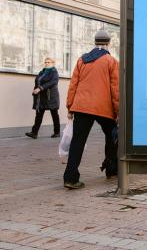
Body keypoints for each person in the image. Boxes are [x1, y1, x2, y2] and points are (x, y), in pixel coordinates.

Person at [63, 30, 119, 190]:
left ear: (95, 42)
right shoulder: (111, 61)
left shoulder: (82, 60)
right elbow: (116, 89)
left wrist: (70, 106)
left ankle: (70, 178)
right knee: (113, 135)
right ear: (108, 43)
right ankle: (111, 168)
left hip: (81, 106)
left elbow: (73, 84)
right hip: (104, 108)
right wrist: (118, 112)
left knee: (78, 141)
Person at [25, 57, 61, 139]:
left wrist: (40, 88)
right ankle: (34, 132)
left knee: (54, 114)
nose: (46, 63)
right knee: (39, 114)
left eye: (48, 62)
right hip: (41, 97)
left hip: (51, 97)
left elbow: (53, 82)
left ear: (53, 63)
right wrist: (34, 90)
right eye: (45, 62)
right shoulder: (42, 72)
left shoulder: (54, 72)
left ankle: (57, 132)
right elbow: (37, 82)